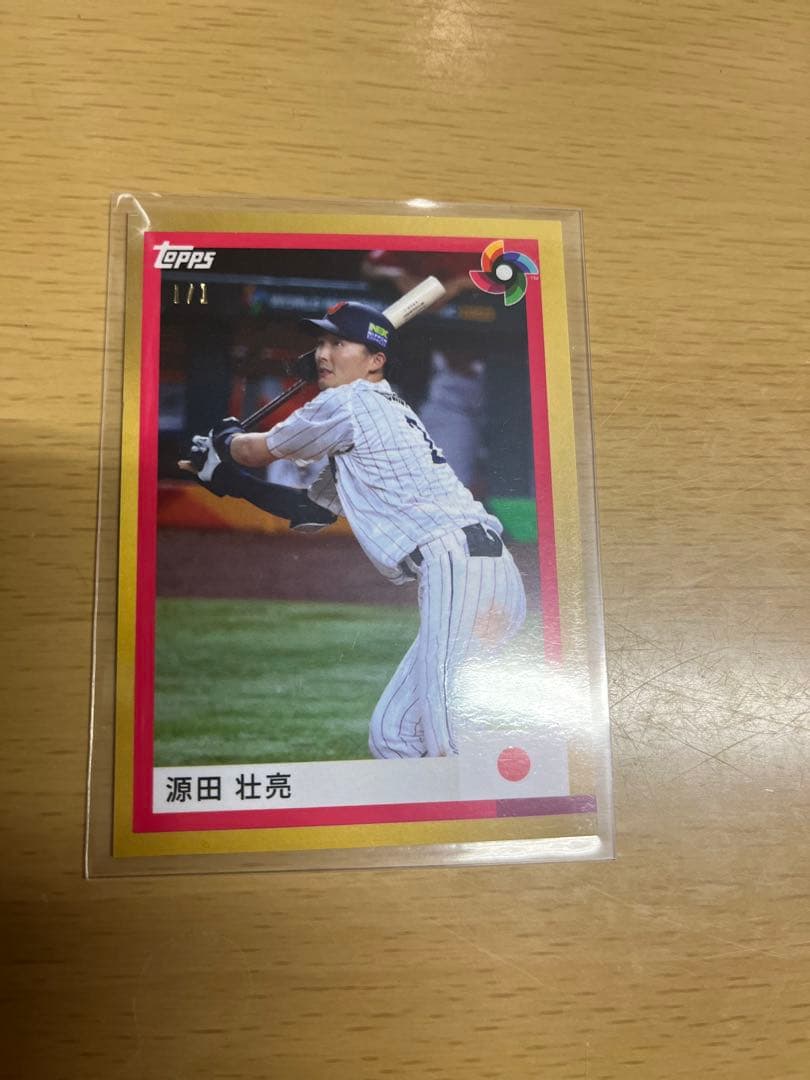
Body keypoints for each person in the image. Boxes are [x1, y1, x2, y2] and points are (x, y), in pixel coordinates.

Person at [180, 300, 526, 759]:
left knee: (448, 743)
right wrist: (228, 481)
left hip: (462, 572)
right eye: (321, 342)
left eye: (338, 343)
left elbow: (255, 451)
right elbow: (310, 511)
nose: (323, 354)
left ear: (374, 361)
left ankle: (505, 800)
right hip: (479, 572)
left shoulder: (350, 402)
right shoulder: (371, 419)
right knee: (394, 735)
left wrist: (224, 441)